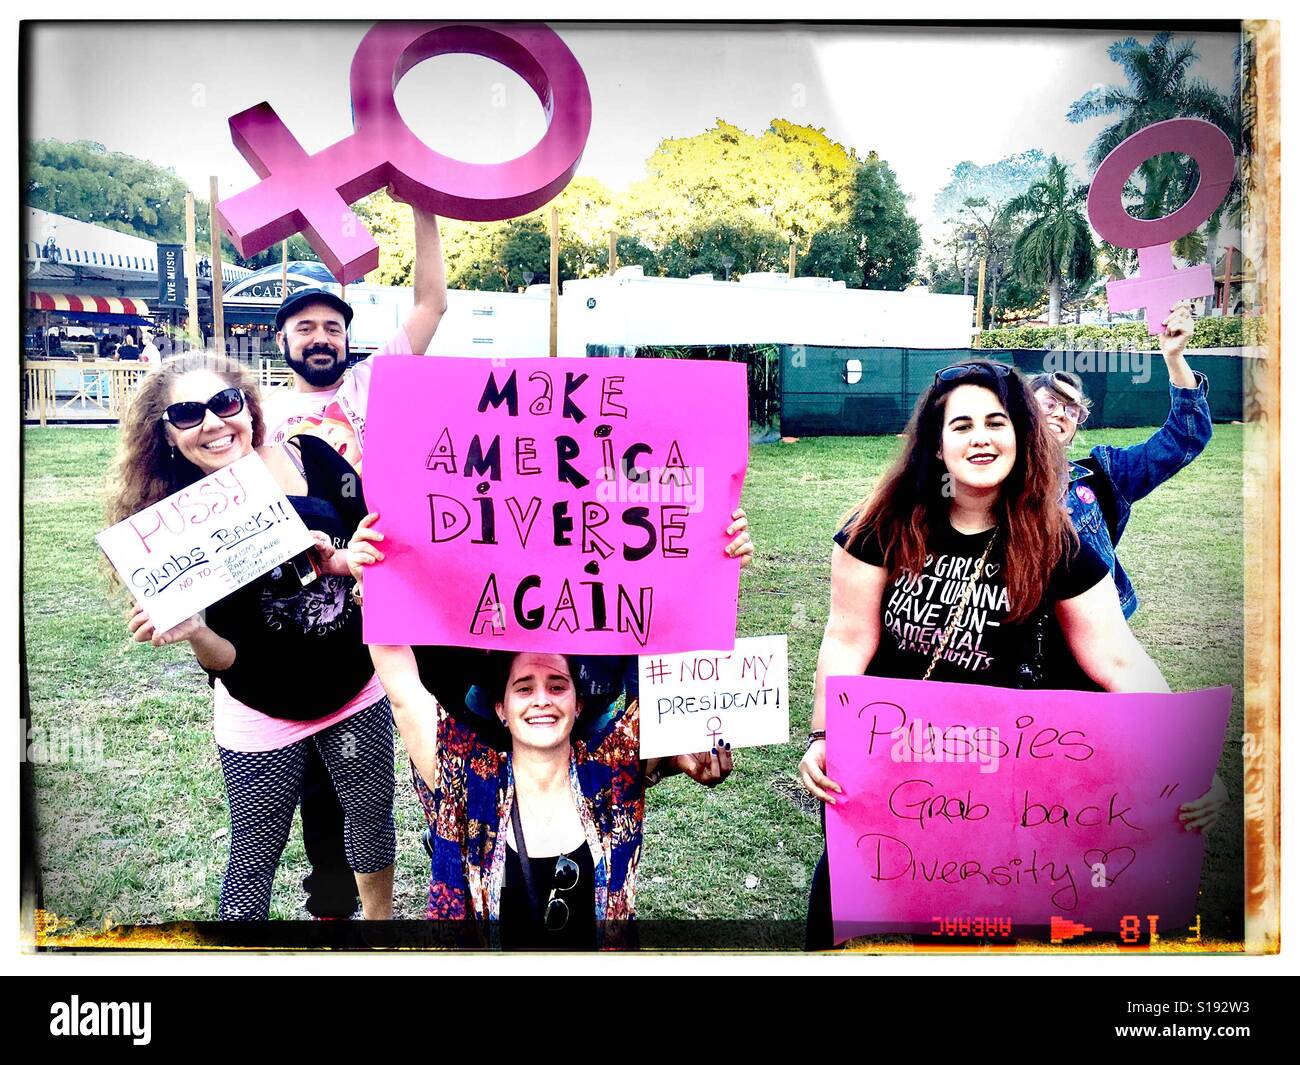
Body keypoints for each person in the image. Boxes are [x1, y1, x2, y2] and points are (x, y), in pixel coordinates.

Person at [796, 359, 1227, 949]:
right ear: (936, 445)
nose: (981, 437)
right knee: (867, 930)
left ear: (1023, 436)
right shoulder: (881, 526)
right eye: (962, 425)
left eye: (997, 422)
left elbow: (1118, 659)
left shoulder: (1057, 540)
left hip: (1008, 787)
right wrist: (822, 737)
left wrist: (1190, 758)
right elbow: (847, 639)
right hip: (896, 773)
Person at [349, 510, 754, 948]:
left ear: (579, 705)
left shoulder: (612, 771)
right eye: (524, 687)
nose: (541, 698)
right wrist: (376, 582)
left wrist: (716, 560)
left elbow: (683, 652)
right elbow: (405, 690)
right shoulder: (463, 779)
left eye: (557, 685)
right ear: (501, 708)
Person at [106, 351, 396, 921]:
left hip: (354, 691)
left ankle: (378, 936)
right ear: (165, 433)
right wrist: (193, 632)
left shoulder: (309, 454)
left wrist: (350, 560)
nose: (212, 423)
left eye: (224, 403)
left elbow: (371, 542)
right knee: (253, 854)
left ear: (247, 405)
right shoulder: (166, 523)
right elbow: (227, 661)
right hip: (260, 709)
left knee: (369, 821)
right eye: (187, 413)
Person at [255, 193, 446, 919]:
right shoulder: (257, 415)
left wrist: (425, 206)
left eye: (332, 325)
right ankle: (333, 902)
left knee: (429, 726)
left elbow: (432, 302)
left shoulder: (376, 380)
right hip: (314, 610)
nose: (321, 337)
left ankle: (452, 867)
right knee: (326, 771)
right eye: (304, 326)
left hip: (398, 592)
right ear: (281, 340)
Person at [1028, 301, 1212, 619]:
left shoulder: (1104, 474)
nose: (1061, 412)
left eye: (1071, 410)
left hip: (1093, 639)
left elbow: (1185, 438)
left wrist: (1174, 357)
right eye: (1049, 403)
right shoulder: (984, 477)